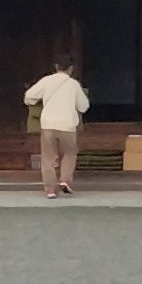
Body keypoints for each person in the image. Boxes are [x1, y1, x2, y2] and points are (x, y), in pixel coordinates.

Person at [24, 54, 90, 196]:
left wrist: (35, 103)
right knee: (70, 153)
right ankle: (65, 180)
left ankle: (50, 189)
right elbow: (84, 106)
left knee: (48, 157)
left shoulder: (46, 81)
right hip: (68, 125)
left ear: (56, 66)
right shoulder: (74, 85)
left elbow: (29, 96)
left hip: (48, 124)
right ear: (71, 68)